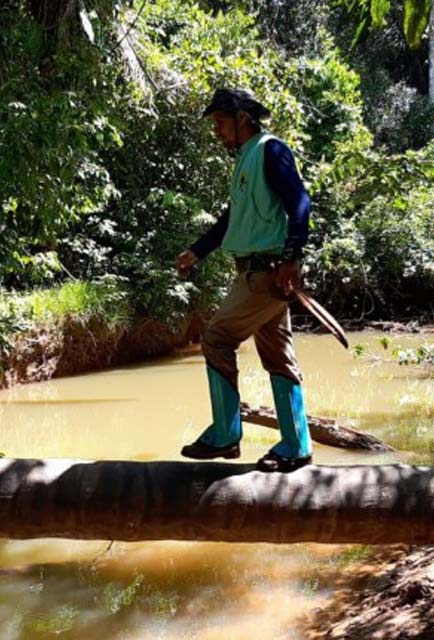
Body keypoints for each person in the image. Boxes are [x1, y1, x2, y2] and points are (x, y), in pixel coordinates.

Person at [176, 88, 313, 473]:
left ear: (241, 118)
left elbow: (300, 201)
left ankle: (225, 434)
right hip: (262, 273)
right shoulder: (246, 162)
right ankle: (296, 445)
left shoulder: (270, 150)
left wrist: (292, 256)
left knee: (217, 339)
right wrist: (197, 251)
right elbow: (230, 220)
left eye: (221, 123)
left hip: (263, 273)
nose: (217, 132)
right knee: (278, 358)